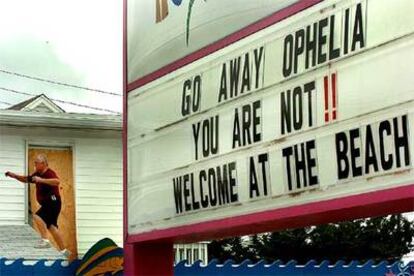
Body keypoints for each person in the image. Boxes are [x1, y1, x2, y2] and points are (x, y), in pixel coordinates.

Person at [5, 153, 71, 258]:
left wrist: (41, 180)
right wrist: (14, 176)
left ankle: (45, 241)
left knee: (37, 216)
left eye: (37, 163)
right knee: (51, 226)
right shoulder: (37, 173)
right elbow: (26, 179)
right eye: (34, 163)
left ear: (43, 163)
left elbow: (57, 181)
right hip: (51, 203)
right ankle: (64, 251)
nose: (35, 165)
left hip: (53, 200)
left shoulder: (49, 173)